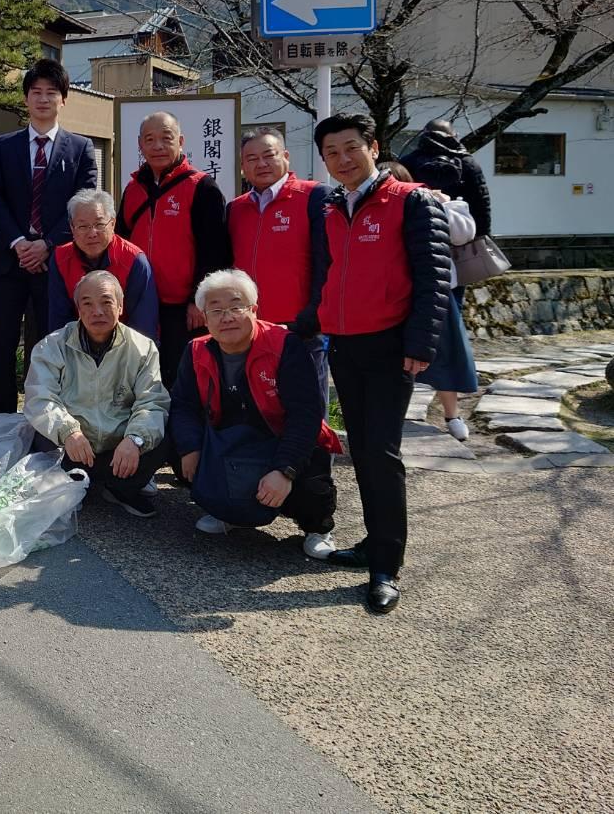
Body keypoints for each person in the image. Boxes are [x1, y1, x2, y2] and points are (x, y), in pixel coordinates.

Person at [315, 115, 450, 615]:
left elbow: (434, 276)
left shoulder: (411, 200)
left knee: (381, 453)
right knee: (365, 450)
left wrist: (420, 344)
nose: (343, 159)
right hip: (345, 344)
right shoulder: (334, 206)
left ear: (373, 148)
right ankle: (373, 544)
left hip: (391, 345)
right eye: (332, 152)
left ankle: (387, 565)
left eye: (352, 147)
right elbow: (330, 274)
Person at [169, 269, 340, 558]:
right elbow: (183, 405)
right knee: (178, 447)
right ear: (205, 318)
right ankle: (226, 512)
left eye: (236, 307)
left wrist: (284, 471)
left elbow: (305, 415)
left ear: (254, 310)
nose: (227, 317)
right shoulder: (196, 350)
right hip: (232, 441)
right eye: (216, 310)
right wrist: (190, 448)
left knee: (310, 486)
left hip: (281, 441)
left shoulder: (285, 345)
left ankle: (317, 528)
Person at [0, 58, 98, 413]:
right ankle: (0, 418)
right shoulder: (3, 145)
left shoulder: (80, 148)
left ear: (64, 99)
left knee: (52, 342)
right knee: (1, 343)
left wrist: (47, 244)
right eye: (36, 92)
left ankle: (47, 416)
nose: (43, 99)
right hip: (9, 259)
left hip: (56, 261)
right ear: (26, 98)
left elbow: (84, 202)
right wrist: (19, 243)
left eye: (51, 92)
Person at [23, 270, 171, 518]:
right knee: (40, 431)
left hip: (118, 446)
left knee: (163, 432)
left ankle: (121, 488)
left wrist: (135, 439)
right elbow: (40, 398)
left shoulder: (143, 348)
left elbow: (152, 402)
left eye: (106, 302)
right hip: (73, 446)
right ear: (78, 309)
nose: (97, 311)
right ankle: (69, 486)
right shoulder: (52, 346)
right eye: (87, 303)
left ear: (120, 307)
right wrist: (68, 431)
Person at [119, 110, 230, 388]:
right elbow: (120, 241)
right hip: (141, 303)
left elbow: (215, 251)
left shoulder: (202, 187)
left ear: (180, 141)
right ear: (140, 145)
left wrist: (198, 299)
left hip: (184, 308)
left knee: (184, 380)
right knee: (143, 376)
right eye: (149, 139)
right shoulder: (133, 188)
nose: (157, 146)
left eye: (166, 138)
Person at [225, 128, 331, 398]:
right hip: (250, 329)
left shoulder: (315, 196)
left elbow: (327, 263)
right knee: (257, 409)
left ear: (285, 156)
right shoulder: (235, 209)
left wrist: (312, 316)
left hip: (299, 329)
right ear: (242, 165)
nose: (261, 164)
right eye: (251, 158)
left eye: (269, 155)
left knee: (306, 408)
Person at [383, 162, 480, 443]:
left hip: (434, 293)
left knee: (444, 353)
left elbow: (464, 233)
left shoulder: (429, 202)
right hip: (391, 293)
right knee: (391, 359)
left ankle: (453, 415)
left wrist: (442, 205)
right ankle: (392, 415)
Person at [47, 188, 159, 341]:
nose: (92, 233)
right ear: (72, 228)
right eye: (83, 226)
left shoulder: (134, 261)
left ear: (112, 224)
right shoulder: (60, 258)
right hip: (77, 344)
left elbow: (143, 329)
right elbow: (59, 323)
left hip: (125, 345)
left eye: (99, 224)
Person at [399, 119, 492, 241]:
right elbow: (481, 203)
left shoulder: (407, 162)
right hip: (460, 233)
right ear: (454, 136)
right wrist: (483, 236)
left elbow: (398, 200)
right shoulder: (468, 163)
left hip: (418, 232)